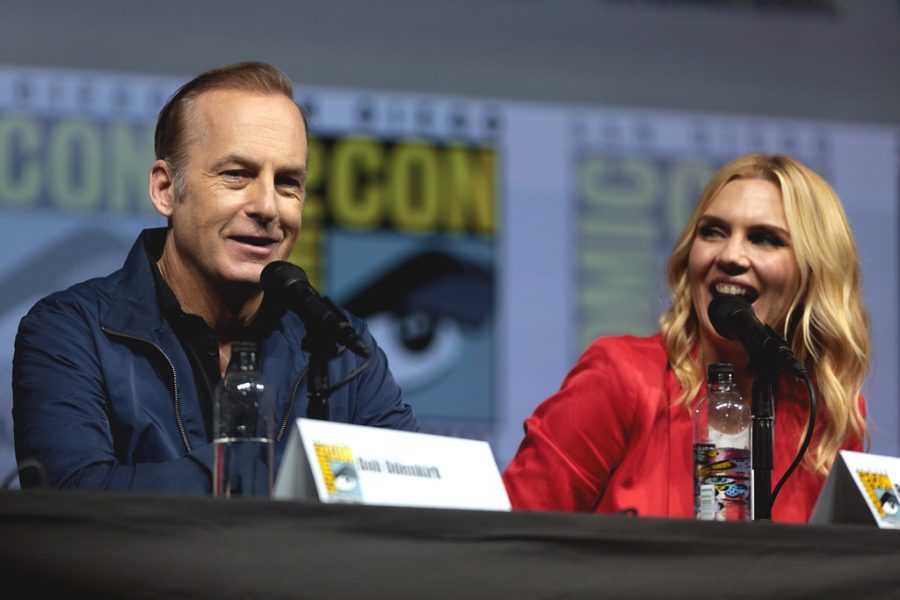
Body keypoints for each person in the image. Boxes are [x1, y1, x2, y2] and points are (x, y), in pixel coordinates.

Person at [12, 61, 419, 493]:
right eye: (236, 175)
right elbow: (74, 501)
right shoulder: (71, 332)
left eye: (287, 182)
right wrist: (286, 476)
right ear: (166, 190)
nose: (267, 206)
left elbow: (414, 501)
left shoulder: (343, 348)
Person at [502, 153, 870, 523]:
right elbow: (507, 538)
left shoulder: (828, 413)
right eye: (712, 231)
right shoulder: (620, 377)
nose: (730, 255)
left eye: (764, 239)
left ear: (814, 272)